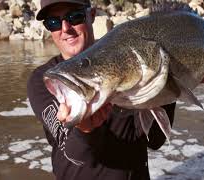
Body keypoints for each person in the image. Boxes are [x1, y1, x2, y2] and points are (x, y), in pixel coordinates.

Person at [27, 0, 176, 179]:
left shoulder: (128, 63)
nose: (65, 28)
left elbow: (155, 140)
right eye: (53, 22)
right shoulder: (45, 80)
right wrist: (85, 130)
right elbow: (74, 156)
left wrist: (167, 82)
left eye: (75, 17)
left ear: (91, 15)